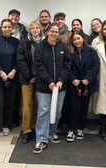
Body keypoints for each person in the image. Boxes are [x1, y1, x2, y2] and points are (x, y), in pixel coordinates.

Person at [33, 24, 71, 154]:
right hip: (44, 87)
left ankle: (52, 132)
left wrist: (61, 80)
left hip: (60, 87)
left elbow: (67, 64)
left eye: (56, 32)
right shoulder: (40, 47)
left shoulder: (63, 47)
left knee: (57, 111)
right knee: (44, 111)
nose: (54, 33)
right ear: (47, 32)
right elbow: (39, 66)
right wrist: (49, 81)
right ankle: (41, 138)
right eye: (52, 31)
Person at [0, 19, 20, 140]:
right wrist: (0, 71)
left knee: (10, 103)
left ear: (12, 28)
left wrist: (14, 71)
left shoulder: (17, 42)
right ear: (1, 28)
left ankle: (6, 125)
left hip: (13, 77)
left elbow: (19, 58)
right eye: (4, 27)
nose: (7, 29)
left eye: (9, 27)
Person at [66, 31, 100, 142]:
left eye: (78, 38)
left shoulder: (92, 51)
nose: (76, 41)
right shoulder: (69, 52)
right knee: (73, 107)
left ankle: (80, 128)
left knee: (83, 107)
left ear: (83, 38)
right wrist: (73, 79)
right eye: (74, 40)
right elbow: (66, 67)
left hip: (86, 85)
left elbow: (96, 67)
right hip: (74, 84)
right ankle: (71, 129)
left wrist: (87, 79)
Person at [17, 20, 44, 143]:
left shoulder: (45, 42)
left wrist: (37, 76)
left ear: (40, 29)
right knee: (27, 105)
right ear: (30, 30)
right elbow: (21, 61)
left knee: (39, 106)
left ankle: (35, 128)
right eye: (33, 28)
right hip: (26, 79)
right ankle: (26, 131)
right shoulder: (24, 42)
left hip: (41, 80)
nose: (35, 30)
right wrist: (30, 77)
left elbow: (46, 62)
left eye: (37, 28)